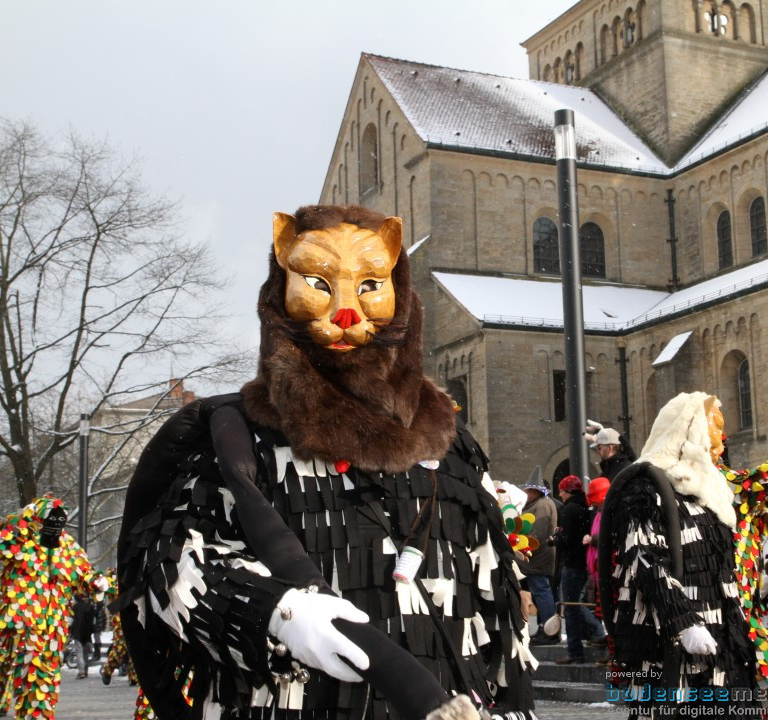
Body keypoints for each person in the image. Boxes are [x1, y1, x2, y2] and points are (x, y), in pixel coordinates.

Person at [117, 205, 531, 720]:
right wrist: (277, 614)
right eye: (317, 282)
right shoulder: (238, 440)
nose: (345, 312)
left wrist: (512, 707)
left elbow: (499, 606)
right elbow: (170, 572)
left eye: (370, 285)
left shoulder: (452, 446)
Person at [600, 391, 768, 716]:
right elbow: (645, 557)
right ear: (690, 430)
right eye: (714, 426)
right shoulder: (646, 488)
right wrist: (684, 622)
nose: (721, 436)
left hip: (723, 640)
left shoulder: (711, 492)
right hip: (671, 644)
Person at [0, 495, 107, 720]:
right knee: (31, 675)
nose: (55, 525)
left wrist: (97, 582)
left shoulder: (66, 546)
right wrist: (23, 523)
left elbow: (83, 574)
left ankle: (32, 714)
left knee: (47, 681)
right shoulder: (21, 540)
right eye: (50, 520)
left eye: (59, 521)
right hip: (24, 624)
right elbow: (0, 543)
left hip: (53, 625)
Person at [552, 475, 606, 664]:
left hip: (573, 563)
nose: (560, 494)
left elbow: (566, 539)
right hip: (585, 562)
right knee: (577, 603)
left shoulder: (569, 510)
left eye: (562, 491)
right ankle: (597, 635)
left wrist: (557, 538)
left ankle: (577, 649)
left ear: (569, 492)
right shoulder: (586, 508)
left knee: (572, 605)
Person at [523, 482, 559, 645]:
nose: (526, 493)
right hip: (538, 557)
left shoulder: (542, 505)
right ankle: (545, 628)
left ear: (535, 492)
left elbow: (537, 533)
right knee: (540, 592)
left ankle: (550, 631)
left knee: (541, 592)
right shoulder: (540, 504)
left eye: (528, 491)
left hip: (538, 557)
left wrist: (525, 547)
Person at [583, 476, 612, 665]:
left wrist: (592, 540)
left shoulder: (608, 513)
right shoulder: (601, 512)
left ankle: (613, 653)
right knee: (604, 613)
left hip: (605, 569)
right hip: (597, 569)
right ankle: (611, 651)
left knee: (609, 614)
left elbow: (608, 537)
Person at [70, 594, 97, 678]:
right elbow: (93, 620)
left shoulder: (75, 607)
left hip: (78, 632)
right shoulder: (89, 607)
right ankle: (85, 670)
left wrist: (70, 630)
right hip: (87, 632)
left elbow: (71, 620)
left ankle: (81, 671)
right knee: (85, 652)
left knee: (79, 652)